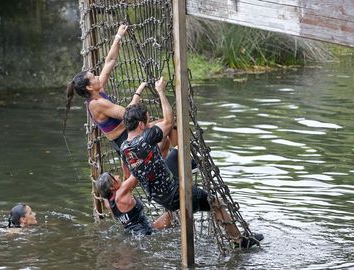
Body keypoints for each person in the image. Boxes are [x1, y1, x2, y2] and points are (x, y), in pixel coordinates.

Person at [120, 76, 264, 248]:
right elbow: (168, 121)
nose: (150, 123)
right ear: (142, 125)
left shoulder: (124, 147)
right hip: (174, 193)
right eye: (148, 120)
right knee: (215, 202)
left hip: (159, 195)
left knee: (170, 152)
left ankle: (186, 164)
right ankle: (240, 241)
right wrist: (160, 92)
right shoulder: (145, 139)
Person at [64, 23, 175, 165]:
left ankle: (161, 166)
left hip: (126, 136)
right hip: (126, 141)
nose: (97, 77)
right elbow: (130, 116)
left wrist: (118, 36)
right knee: (170, 124)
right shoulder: (98, 104)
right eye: (94, 78)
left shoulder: (97, 91)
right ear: (90, 87)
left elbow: (109, 62)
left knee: (164, 140)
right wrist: (139, 92)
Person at [96, 172, 172, 236]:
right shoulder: (122, 191)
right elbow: (138, 172)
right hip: (146, 234)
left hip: (131, 235)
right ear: (112, 187)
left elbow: (127, 177)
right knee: (174, 214)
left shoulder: (107, 202)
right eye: (114, 177)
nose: (118, 176)